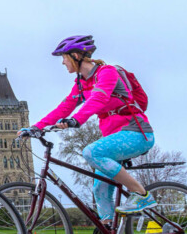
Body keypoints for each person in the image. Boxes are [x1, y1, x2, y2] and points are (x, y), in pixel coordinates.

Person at [20, 35, 157, 227]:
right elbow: (64, 108)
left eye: (64, 57)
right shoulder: (81, 84)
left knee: (91, 152)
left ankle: (141, 194)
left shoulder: (107, 73)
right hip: (114, 138)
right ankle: (108, 226)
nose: (62, 62)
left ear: (75, 56)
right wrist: (36, 127)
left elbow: (98, 99)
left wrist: (76, 120)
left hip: (136, 133)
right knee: (99, 187)